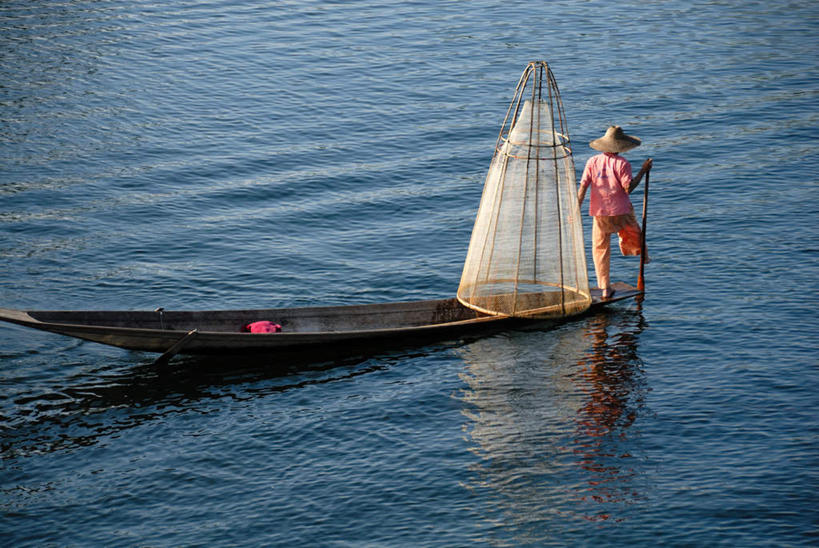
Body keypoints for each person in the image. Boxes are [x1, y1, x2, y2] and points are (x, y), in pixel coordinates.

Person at [577, 126, 652, 299]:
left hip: (600, 212)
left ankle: (605, 288)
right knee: (635, 234)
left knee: (600, 249)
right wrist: (643, 170)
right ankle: (643, 257)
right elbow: (628, 188)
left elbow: (583, 187)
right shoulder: (623, 164)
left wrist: (576, 208)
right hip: (621, 211)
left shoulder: (592, 162)